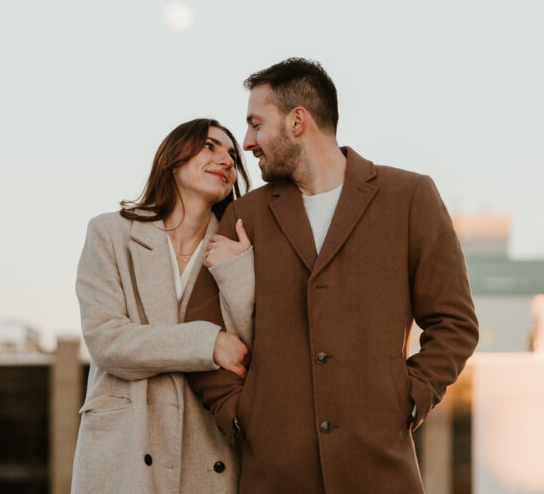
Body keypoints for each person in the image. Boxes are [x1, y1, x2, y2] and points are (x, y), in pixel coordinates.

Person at [186, 58, 479, 494]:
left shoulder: (409, 197)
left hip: (381, 471)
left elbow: (455, 323)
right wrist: (239, 412)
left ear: (298, 120)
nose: (246, 142)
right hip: (275, 474)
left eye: (256, 124)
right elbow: (199, 328)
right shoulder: (246, 214)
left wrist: (410, 398)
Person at [71, 118, 254, 494]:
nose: (227, 160)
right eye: (210, 146)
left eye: (233, 155)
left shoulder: (239, 249)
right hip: (125, 447)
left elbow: (248, 348)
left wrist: (236, 270)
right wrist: (207, 344)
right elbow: (108, 341)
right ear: (172, 160)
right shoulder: (111, 234)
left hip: (209, 450)